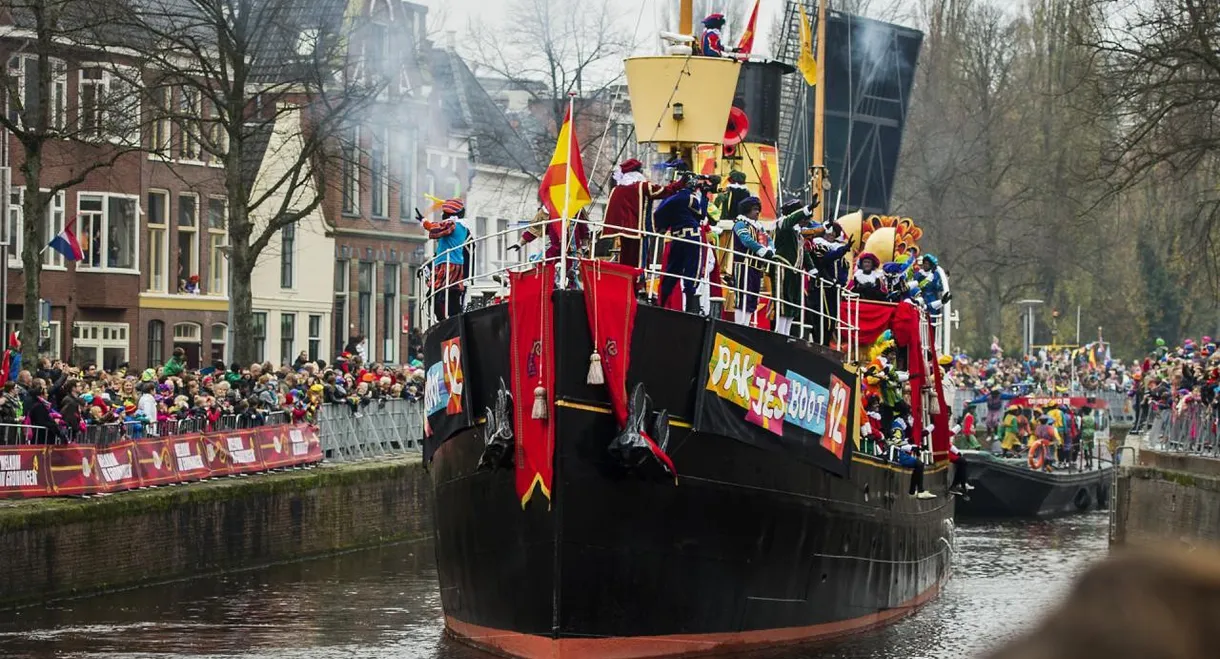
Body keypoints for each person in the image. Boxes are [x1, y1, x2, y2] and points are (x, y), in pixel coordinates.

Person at [600, 159, 683, 272]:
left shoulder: (618, 189)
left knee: (626, 258)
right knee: (639, 259)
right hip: (638, 230)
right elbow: (664, 191)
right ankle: (638, 282)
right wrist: (680, 183)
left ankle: (627, 281)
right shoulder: (642, 187)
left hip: (624, 231)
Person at [653, 177, 711, 312]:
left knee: (672, 270)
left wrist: (662, 228)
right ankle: (691, 308)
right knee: (692, 271)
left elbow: (659, 214)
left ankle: (661, 303)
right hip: (692, 237)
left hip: (676, 237)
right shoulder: (690, 198)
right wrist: (705, 196)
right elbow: (701, 214)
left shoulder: (670, 199)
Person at [771, 197, 816, 336]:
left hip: (795, 271)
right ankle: (779, 332)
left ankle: (786, 332)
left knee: (793, 303)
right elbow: (790, 220)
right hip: (783, 266)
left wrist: (813, 269)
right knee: (783, 301)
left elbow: (804, 252)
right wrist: (805, 210)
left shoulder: (797, 233)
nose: (805, 221)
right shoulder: (782, 224)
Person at [423, 198, 471, 321]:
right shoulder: (463, 227)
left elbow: (436, 230)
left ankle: (444, 322)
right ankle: (456, 321)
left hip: (447, 264)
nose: (442, 215)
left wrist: (425, 223)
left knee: (432, 295)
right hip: (456, 264)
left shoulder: (452, 224)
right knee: (452, 295)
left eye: (444, 213)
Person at [728, 196, 773, 325]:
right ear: (747, 210)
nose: (757, 212)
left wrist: (770, 249)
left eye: (758, 209)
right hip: (743, 265)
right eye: (754, 209)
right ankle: (739, 323)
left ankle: (746, 323)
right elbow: (746, 240)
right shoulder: (740, 223)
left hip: (757, 267)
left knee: (753, 297)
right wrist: (763, 251)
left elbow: (768, 240)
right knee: (743, 296)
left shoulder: (759, 227)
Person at [1079, 405, 1096, 469]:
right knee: (1090, 447)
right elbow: (1095, 426)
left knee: (1085, 448)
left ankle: (1087, 463)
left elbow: (1081, 427)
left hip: (1085, 433)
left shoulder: (1083, 418)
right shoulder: (1092, 418)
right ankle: (1091, 462)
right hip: (1091, 433)